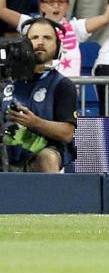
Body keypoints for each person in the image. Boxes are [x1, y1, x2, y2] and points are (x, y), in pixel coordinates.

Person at [1, 18, 77, 172]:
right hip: (4, 154)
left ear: (58, 46)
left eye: (47, 38)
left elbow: (68, 134)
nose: (40, 42)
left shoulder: (62, 85)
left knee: (47, 158)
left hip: (39, 156)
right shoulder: (5, 81)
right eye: (34, 38)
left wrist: (35, 122)